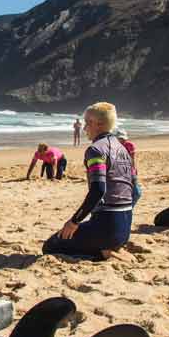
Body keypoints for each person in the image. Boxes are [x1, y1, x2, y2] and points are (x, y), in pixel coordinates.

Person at [42, 102, 134, 260]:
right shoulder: (122, 149)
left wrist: (74, 221)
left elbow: (98, 190)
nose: (84, 128)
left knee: (50, 246)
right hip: (124, 229)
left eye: (87, 123)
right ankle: (111, 247)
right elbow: (133, 187)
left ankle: (103, 251)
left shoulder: (96, 150)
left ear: (98, 124)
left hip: (106, 228)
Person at [115, 128, 142, 206]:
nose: (121, 140)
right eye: (119, 138)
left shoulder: (129, 145)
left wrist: (134, 169)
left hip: (130, 173)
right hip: (119, 174)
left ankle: (129, 209)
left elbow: (132, 159)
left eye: (122, 138)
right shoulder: (113, 147)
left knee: (137, 193)